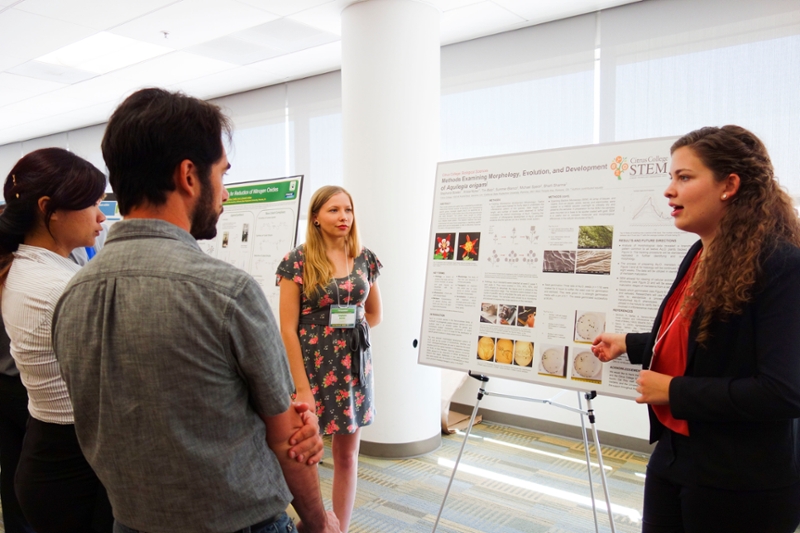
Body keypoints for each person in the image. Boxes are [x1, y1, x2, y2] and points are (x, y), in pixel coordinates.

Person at [51, 88, 340, 533]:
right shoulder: (228, 293)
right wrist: (321, 522)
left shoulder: (72, 297)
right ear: (189, 176)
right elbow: (289, 441)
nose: (224, 192)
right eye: (222, 174)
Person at [591, 125, 800, 533]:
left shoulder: (781, 266)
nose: (669, 190)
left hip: (739, 478)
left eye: (684, 178)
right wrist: (629, 344)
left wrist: (672, 391)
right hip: (674, 452)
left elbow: (783, 391)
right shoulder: (701, 251)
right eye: (671, 177)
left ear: (729, 185)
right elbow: (703, 340)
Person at [0, 147, 113, 533]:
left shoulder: (35, 266)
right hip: (71, 460)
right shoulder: (56, 285)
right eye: (92, 204)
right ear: (49, 209)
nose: (101, 216)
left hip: (57, 450)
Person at [278, 185, 383, 533]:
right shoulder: (298, 260)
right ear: (316, 218)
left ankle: (342, 527)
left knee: (347, 456)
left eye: (348, 210)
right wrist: (302, 387)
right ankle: (316, 523)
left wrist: (351, 320)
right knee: (306, 456)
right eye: (334, 210)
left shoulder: (364, 257)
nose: (343, 217)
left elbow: (375, 314)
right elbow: (288, 329)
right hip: (312, 364)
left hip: (352, 363)